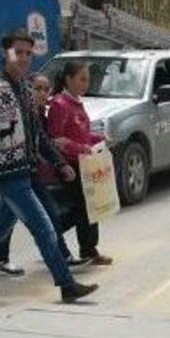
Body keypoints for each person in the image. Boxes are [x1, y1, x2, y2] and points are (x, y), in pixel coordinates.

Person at [0, 30, 97, 302]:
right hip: (6, 174)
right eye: (18, 52)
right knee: (43, 226)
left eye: (29, 52)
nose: (24, 57)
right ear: (6, 53)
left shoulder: (26, 89)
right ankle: (66, 284)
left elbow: (38, 135)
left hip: (24, 171)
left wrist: (60, 163)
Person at [0, 73, 83, 276]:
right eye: (37, 88)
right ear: (27, 89)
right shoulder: (19, 111)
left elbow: (42, 141)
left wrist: (58, 163)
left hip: (29, 174)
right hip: (12, 173)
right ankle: (62, 265)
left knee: (6, 221)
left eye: (46, 89)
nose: (42, 93)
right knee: (17, 221)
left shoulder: (38, 112)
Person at [47, 60, 113, 267]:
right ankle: (54, 235)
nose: (86, 84)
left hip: (85, 164)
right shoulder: (59, 104)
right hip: (69, 166)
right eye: (82, 79)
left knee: (87, 208)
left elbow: (82, 134)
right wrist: (81, 148)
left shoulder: (76, 103)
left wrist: (99, 138)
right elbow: (56, 139)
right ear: (68, 79)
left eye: (88, 79)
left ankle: (85, 248)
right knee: (82, 209)